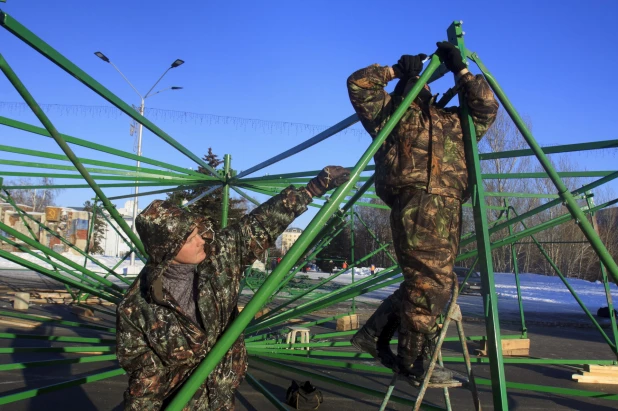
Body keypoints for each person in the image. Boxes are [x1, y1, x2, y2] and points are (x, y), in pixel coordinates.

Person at [116, 166, 350, 410]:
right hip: (181, 404)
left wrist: (314, 188)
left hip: (222, 394)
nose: (202, 240)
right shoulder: (137, 308)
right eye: (189, 239)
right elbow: (145, 381)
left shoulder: (218, 258)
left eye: (198, 232)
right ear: (166, 249)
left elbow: (259, 223)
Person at [347, 42, 498, 384]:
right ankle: (412, 363)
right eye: (421, 81)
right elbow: (358, 84)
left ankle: (373, 334)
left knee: (437, 284)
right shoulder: (392, 114)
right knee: (428, 285)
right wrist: (396, 72)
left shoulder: (453, 121)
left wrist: (462, 72)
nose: (426, 85)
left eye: (429, 81)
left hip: (450, 207)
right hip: (415, 203)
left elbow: (486, 108)